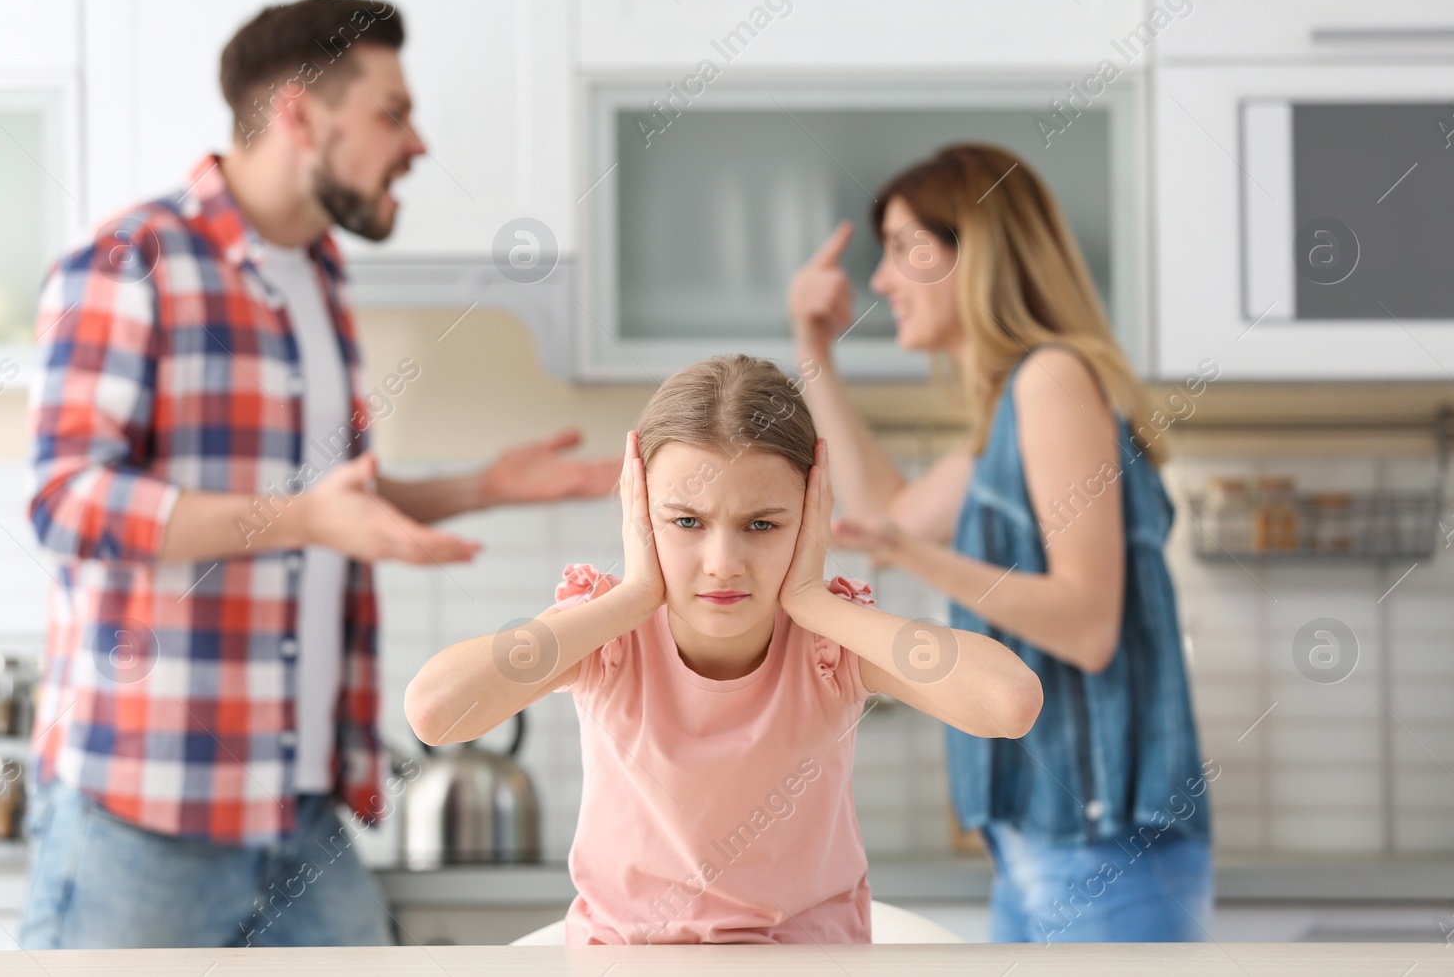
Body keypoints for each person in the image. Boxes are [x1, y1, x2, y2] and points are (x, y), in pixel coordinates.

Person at [18, 0, 618, 949]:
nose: (416, 142)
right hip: (145, 806)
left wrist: (483, 486)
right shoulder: (133, 261)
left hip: (296, 806)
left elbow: (325, 502)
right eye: (392, 112)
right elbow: (67, 501)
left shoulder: (319, 273)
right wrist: (299, 520)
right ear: (300, 114)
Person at [404, 354, 1042, 944]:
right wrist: (630, 599)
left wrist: (816, 599)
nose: (723, 563)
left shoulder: (829, 642)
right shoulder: (607, 636)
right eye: (686, 522)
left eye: (762, 525)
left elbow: (1009, 702)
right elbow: (434, 710)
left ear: (811, 515)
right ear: (640, 510)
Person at [786, 144, 1214, 943]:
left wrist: (913, 555)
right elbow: (893, 515)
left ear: (977, 252)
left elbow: (1087, 626)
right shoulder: (1011, 410)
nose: (882, 282)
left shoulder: (1052, 381)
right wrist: (813, 353)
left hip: (1103, 848)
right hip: (1039, 846)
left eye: (907, 249)